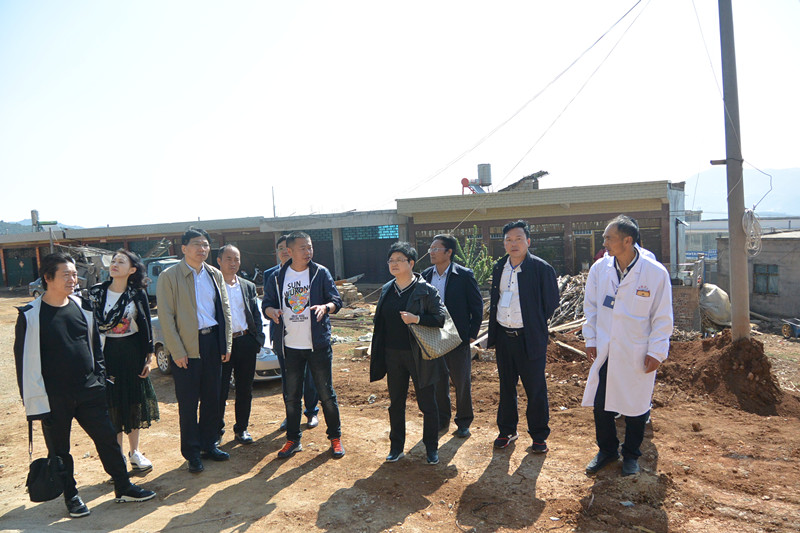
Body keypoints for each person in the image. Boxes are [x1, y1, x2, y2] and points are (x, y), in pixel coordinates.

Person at [14, 253, 155, 519]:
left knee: (108, 439)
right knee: (60, 450)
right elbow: (23, 364)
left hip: (89, 391)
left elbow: (95, 347)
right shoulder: (31, 315)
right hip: (54, 398)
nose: (73, 279)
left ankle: (123, 486)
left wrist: (99, 379)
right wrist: (34, 403)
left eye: (74, 274)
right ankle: (71, 496)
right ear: (48, 278)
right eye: (66, 275)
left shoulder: (82, 306)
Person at [582, 215, 673, 476]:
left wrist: (657, 351)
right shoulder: (599, 269)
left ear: (627, 240)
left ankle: (631, 454)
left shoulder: (655, 273)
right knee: (601, 404)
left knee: (636, 406)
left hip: (637, 350)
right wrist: (591, 339)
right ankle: (607, 450)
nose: (604, 242)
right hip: (607, 348)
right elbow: (591, 307)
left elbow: (662, 316)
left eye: (609, 238)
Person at [156, 228, 233, 473]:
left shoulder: (214, 274)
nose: (202, 249)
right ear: (184, 248)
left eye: (206, 244)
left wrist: (226, 344)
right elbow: (166, 317)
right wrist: (176, 350)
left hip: (212, 343)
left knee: (212, 398)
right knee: (188, 404)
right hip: (186, 347)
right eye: (197, 244)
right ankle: (192, 452)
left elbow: (225, 310)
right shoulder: (170, 276)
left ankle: (209, 444)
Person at [263, 231, 345, 459]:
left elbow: (336, 301)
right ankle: (293, 440)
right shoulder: (277, 277)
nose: (308, 252)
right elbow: (266, 304)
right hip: (289, 347)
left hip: (317, 346)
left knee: (326, 394)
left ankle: (335, 438)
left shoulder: (320, 272)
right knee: (291, 396)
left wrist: (325, 307)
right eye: (303, 248)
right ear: (289, 251)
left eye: (310, 247)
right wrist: (272, 311)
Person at [370, 242, 447, 465]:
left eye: (399, 260)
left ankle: (431, 448)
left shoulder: (425, 290)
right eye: (391, 260)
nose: (394, 264)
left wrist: (417, 319)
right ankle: (396, 447)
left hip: (420, 355)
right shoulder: (387, 289)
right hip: (393, 355)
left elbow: (440, 318)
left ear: (411, 263)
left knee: (427, 404)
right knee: (396, 403)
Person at [487, 220, 559, 452]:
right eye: (508, 240)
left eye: (518, 239)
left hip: (530, 338)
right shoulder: (499, 267)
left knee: (535, 388)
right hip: (504, 337)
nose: (513, 244)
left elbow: (551, 303)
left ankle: (539, 435)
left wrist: (533, 323)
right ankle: (507, 430)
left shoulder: (541, 268)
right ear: (504, 244)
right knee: (506, 386)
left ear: (528, 241)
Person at [87, 249, 160, 473]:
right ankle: (117, 457)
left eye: (121, 261)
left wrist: (148, 357)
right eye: (114, 261)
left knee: (133, 402)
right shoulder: (97, 293)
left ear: (132, 269)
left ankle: (134, 452)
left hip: (131, 353)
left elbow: (146, 325)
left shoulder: (137, 294)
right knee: (113, 405)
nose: (115, 264)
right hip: (105, 353)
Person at [422, 234, 483, 438]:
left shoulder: (463, 275)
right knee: (438, 381)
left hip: (457, 337)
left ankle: (464, 421)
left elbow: (476, 306)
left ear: (449, 252)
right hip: (434, 336)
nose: (431, 252)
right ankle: (442, 419)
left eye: (436, 249)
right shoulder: (426, 275)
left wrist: (472, 334)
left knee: (461, 380)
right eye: (430, 249)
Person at [262, 235, 320, 431]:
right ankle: (291, 414)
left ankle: (311, 412)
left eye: (286, 248)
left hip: (307, 336)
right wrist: (271, 311)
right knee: (288, 379)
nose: (284, 252)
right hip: (283, 336)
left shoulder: (312, 272)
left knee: (310, 376)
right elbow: (267, 303)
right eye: (280, 249)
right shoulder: (271, 275)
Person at [216, 244, 266, 445]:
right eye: (228, 259)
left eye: (236, 259)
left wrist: (257, 339)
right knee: (220, 390)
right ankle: (216, 431)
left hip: (245, 341)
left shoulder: (247, 286)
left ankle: (242, 429)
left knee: (245, 389)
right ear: (219, 261)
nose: (233, 263)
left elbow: (255, 314)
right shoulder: (212, 286)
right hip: (222, 345)